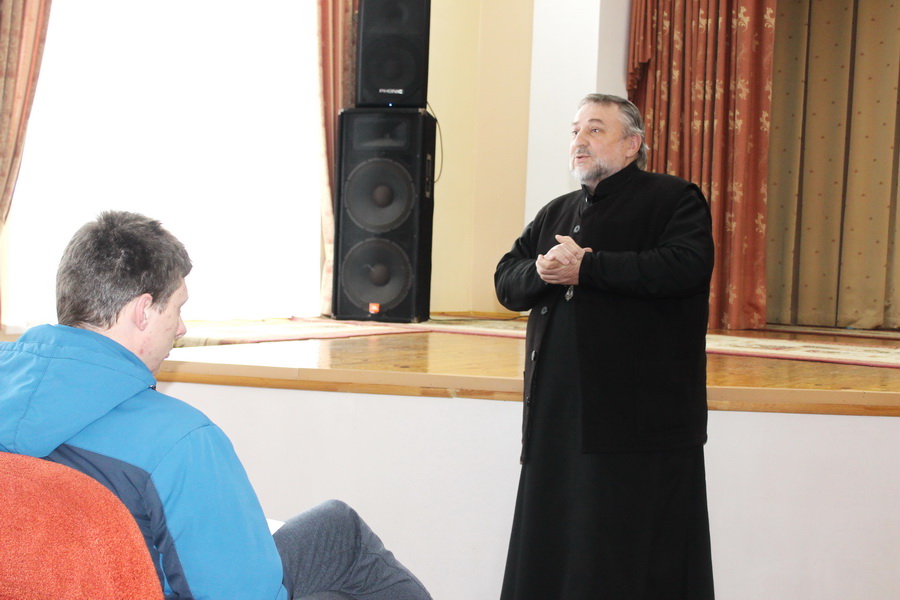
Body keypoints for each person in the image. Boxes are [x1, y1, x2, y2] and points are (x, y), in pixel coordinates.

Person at [0, 211, 432, 600]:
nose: (181, 328)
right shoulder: (180, 442)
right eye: (178, 308)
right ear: (143, 311)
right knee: (339, 530)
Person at [494, 94, 716, 599]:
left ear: (632, 144)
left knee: (622, 554)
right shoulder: (557, 211)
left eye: (595, 129)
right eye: (575, 130)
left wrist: (588, 268)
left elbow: (685, 266)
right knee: (557, 547)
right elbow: (507, 280)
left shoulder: (674, 199)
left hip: (637, 422)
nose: (579, 140)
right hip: (557, 416)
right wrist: (541, 271)